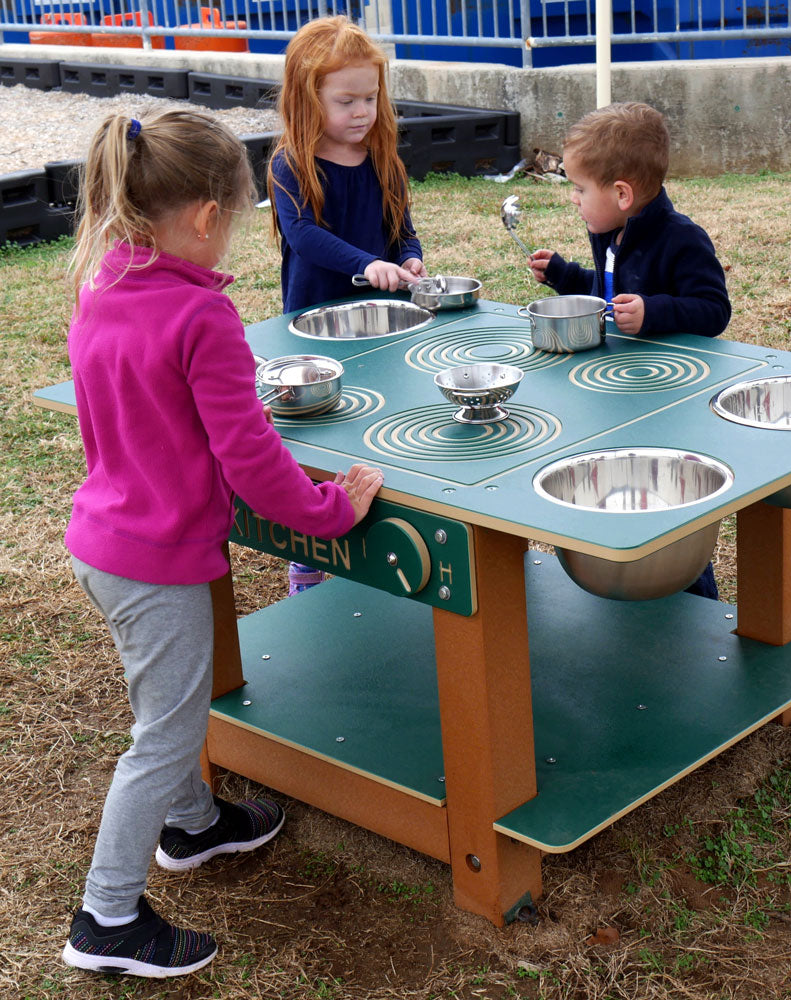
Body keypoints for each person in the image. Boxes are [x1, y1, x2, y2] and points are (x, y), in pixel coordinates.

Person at [60, 108, 384, 978]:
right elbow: (252, 463)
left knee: (173, 697)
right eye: (234, 221)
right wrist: (328, 513)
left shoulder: (102, 286)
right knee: (164, 729)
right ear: (206, 218)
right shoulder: (203, 322)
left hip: (104, 539)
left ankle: (194, 826)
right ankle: (107, 917)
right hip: (152, 560)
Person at [529, 101, 730, 598]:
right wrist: (564, 275)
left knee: (666, 499)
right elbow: (607, 290)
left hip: (669, 401)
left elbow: (712, 309)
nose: (574, 199)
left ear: (622, 193)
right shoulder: (610, 230)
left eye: (579, 189)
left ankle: (692, 593)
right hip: (619, 394)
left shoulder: (682, 239)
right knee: (614, 486)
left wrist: (654, 312)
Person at [267, 14, 425, 595]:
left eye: (370, 97)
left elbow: (402, 229)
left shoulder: (385, 160)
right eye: (346, 100)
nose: (362, 111)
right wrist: (366, 262)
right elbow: (303, 234)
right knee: (322, 435)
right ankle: (313, 556)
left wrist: (408, 259)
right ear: (307, 101)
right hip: (314, 327)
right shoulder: (291, 164)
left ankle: (375, 534)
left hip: (384, 326)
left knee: (378, 424)